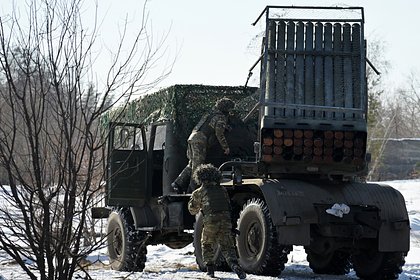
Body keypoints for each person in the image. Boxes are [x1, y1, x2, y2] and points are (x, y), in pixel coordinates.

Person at [188, 164, 246, 279]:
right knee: (227, 246)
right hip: (225, 221)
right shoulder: (222, 189)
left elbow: (192, 210)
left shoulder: (199, 192)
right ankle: (235, 266)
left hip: (211, 222)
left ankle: (210, 270)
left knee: (207, 244)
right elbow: (228, 206)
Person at [171, 97, 235, 193]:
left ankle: (177, 183)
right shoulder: (221, 117)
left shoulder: (210, 114)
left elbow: (209, 125)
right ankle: (192, 191)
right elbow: (219, 133)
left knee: (191, 164)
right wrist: (226, 147)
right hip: (200, 141)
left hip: (192, 137)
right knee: (197, 167)